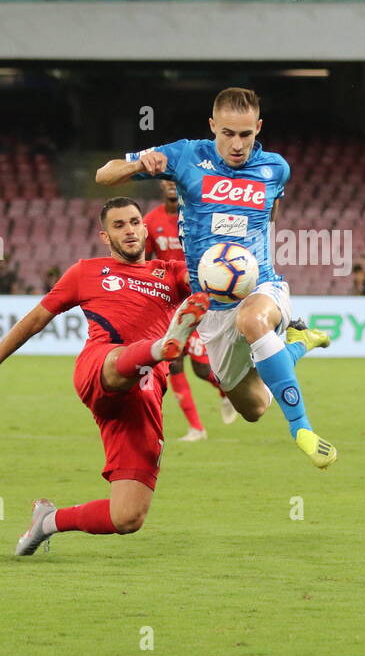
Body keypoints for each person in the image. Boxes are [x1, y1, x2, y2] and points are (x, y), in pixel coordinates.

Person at [0, 197, 212, 554]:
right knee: (124, 359)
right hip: (101, 367)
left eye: (134, 222)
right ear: (105, 236)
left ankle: (47, 521)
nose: (130, 230)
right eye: (119, 226)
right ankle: (161, 347)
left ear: (145, 227)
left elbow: (215, 283)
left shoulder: (171, 272)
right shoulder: (86, 272)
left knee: (127, 517)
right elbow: (34, 320)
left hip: (145, 394)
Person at [95, 87, 336, 469]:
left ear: (258, 128)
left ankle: (302, 429)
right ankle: (299, 343)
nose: (237, 144)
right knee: (254, 408)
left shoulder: (275, 168)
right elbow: (103, 175)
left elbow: (269, 219)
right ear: (212, 126)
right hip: (212, 308)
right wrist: (140, 164)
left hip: (261, 286)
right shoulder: (186, 155)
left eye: (245, 134)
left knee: (252, 320)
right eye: (227, 133)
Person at [145, 178, 238, 438]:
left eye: (175, 179)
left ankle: (226, 393)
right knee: (173, 363)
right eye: (166, 180)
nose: (171, 184)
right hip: (169, 303)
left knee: (202, 369)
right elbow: (146, 262)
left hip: (198, 299)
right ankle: (196, 428)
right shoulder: (150, 221)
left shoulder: (196, 216)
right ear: (160, 186)